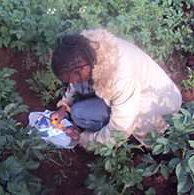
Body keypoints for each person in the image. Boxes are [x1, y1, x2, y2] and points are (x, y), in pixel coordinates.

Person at [50, 28, 182, 149]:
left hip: (157, 110)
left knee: (79, 114)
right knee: (79, 88)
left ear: (86, 68)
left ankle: (131, 139)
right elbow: (74, 80)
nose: (73, 83)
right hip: (138, 89)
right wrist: (64, 106)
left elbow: (121, 128)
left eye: (75, 79)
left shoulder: (121, 79)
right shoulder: (87, 50)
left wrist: (85, 138)